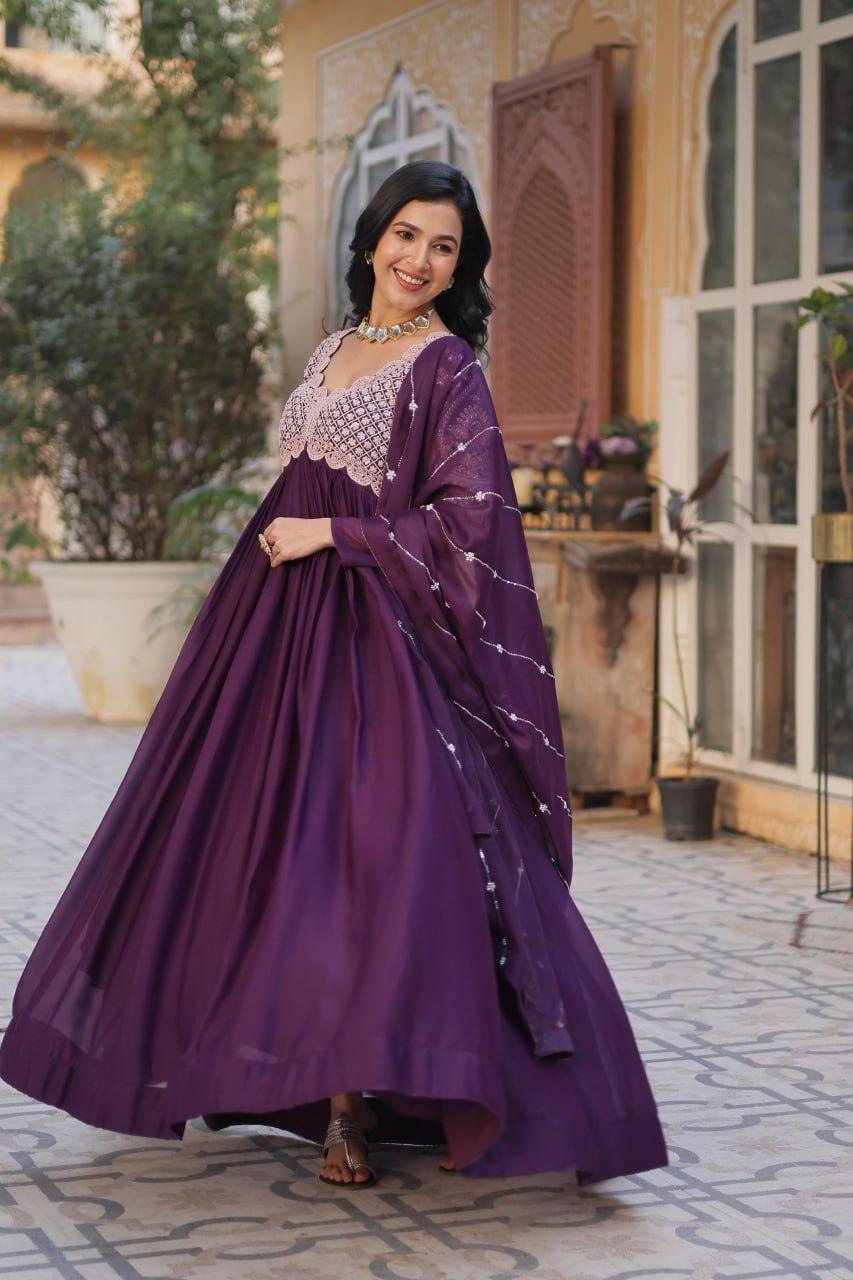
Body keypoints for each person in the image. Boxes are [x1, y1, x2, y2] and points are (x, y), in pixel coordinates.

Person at [0, 160, 668, 1190]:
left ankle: (358, 1103)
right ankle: (285, 1073)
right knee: (250, 846)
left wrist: (335, 533)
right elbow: (303, 474)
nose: (420, 259)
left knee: (366, 858)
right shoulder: (333, 348)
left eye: (443, 247)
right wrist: (285, 539)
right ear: (371, 239)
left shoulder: (447, 368)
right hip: (271, 629)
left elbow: (469, 521)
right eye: (406, 235)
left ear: (460, 266)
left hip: (376, 636)